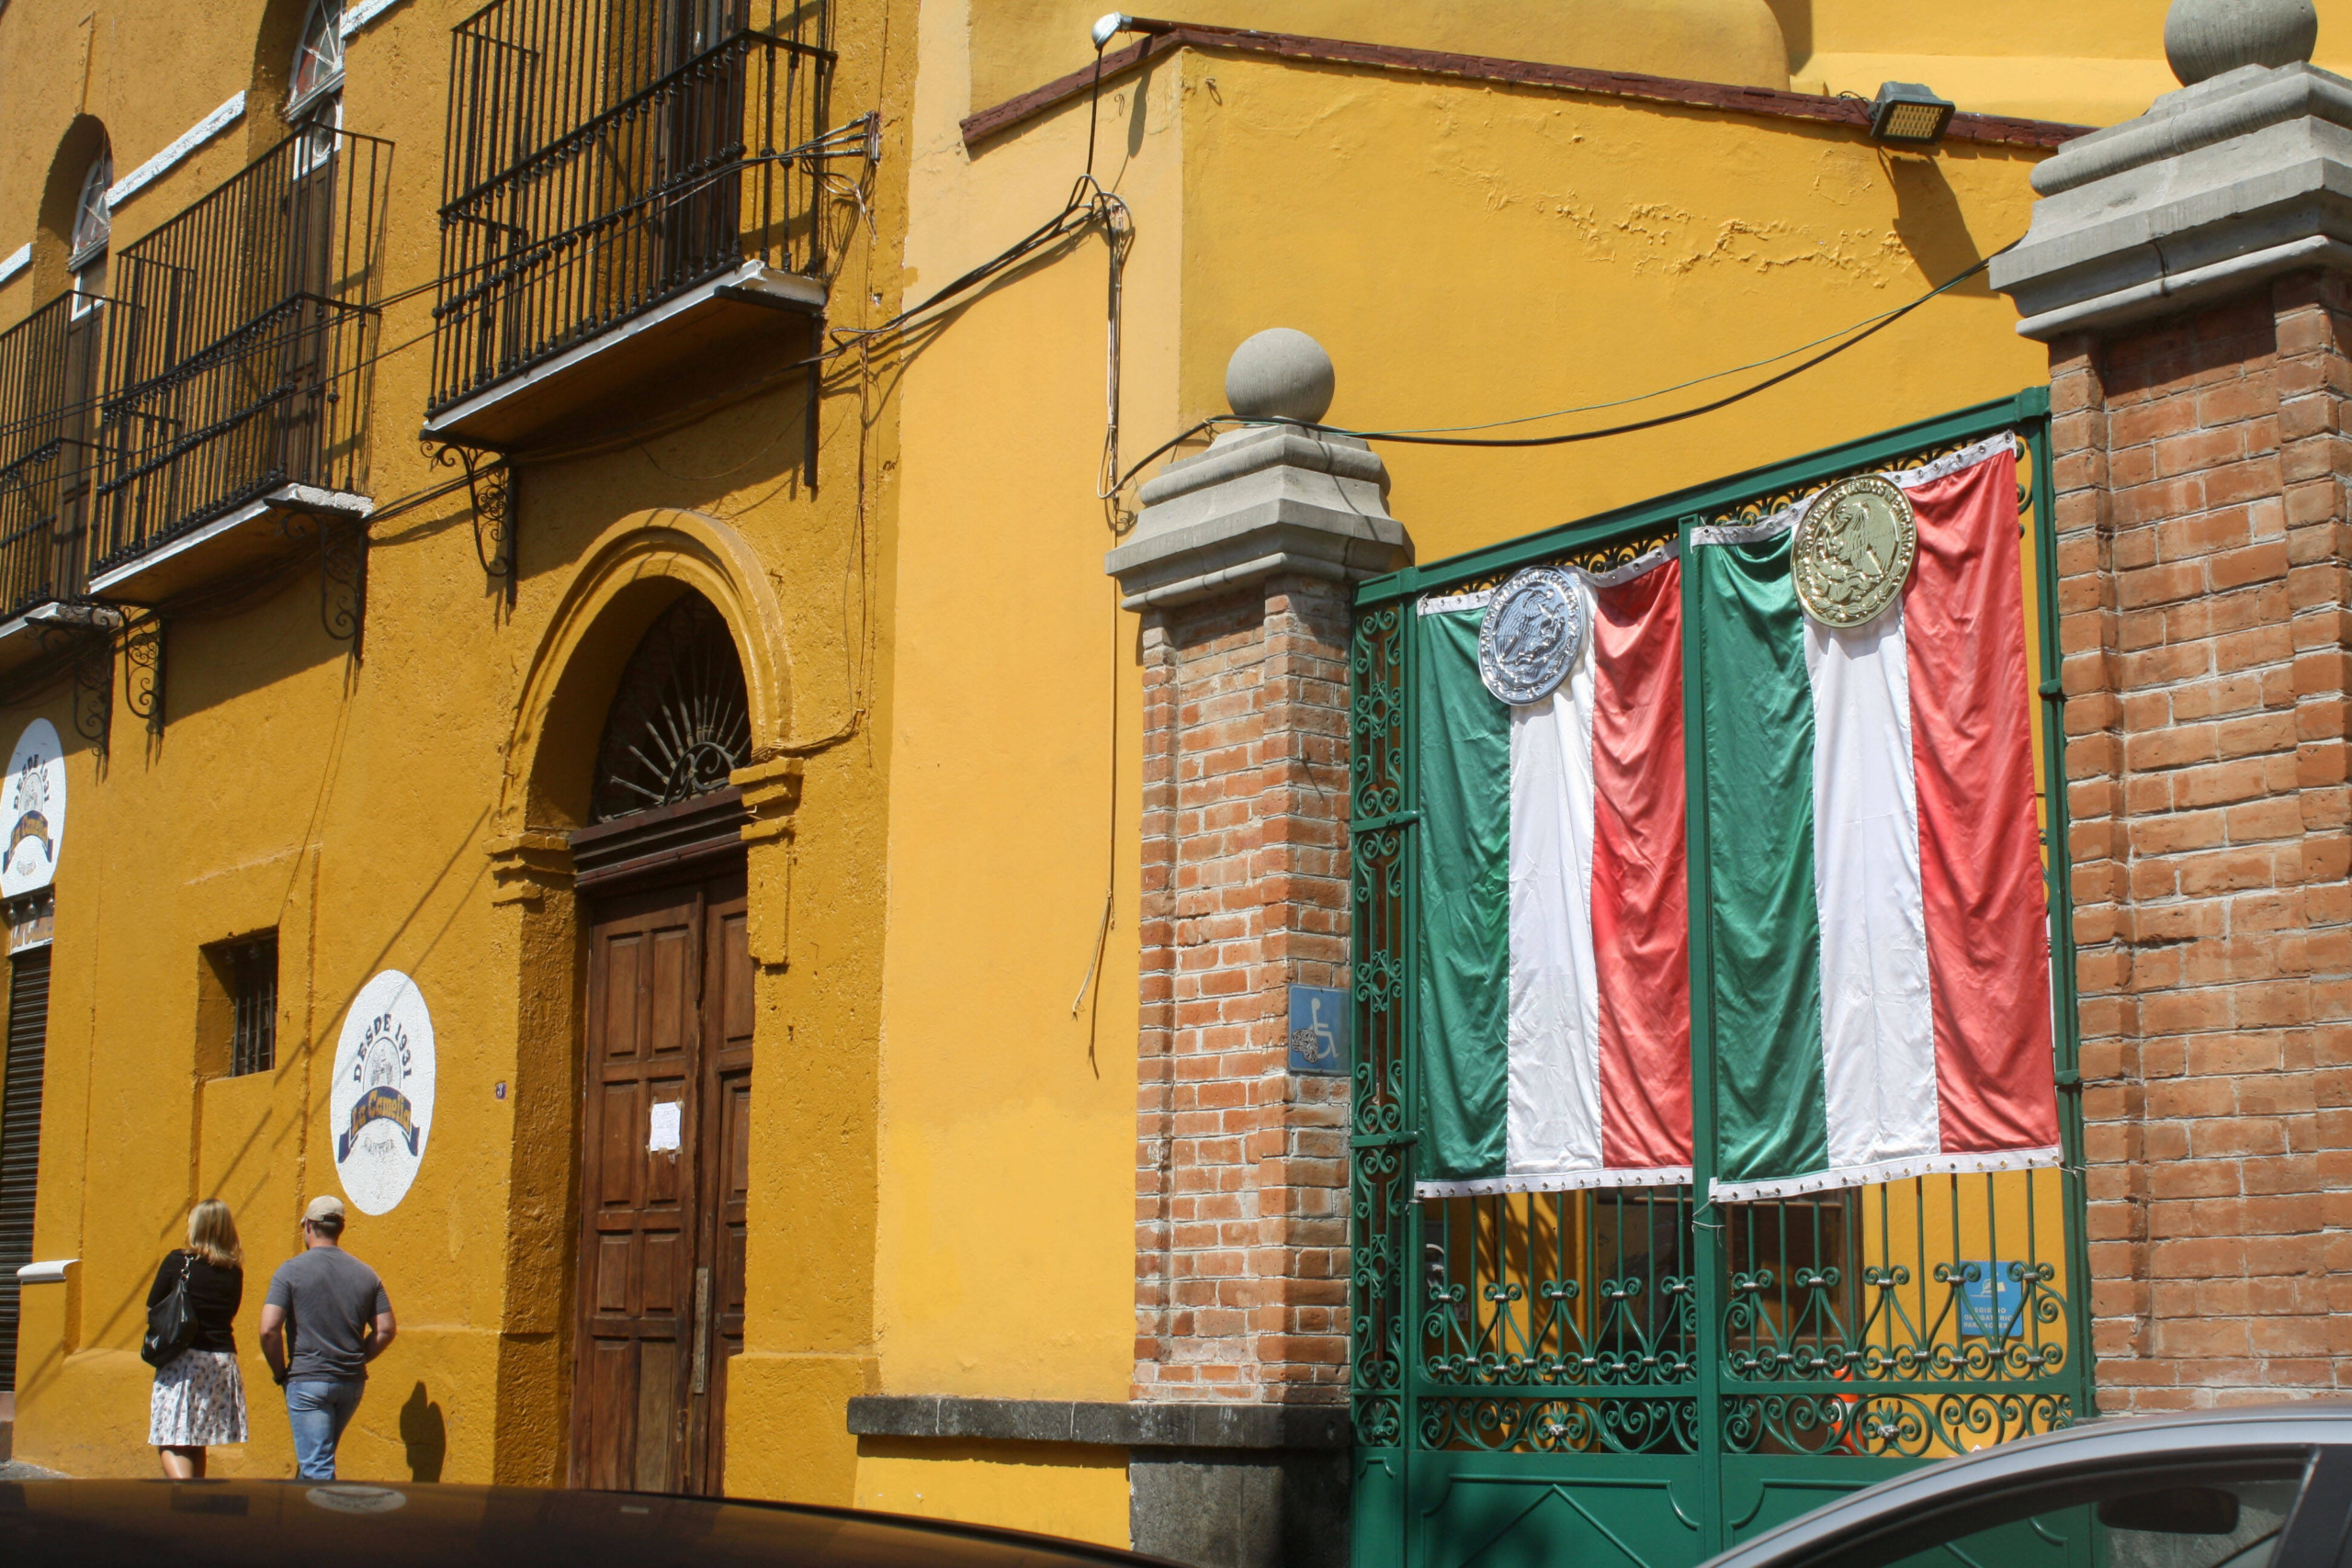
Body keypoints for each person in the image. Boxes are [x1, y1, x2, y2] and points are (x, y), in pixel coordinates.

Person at [257, 1194, 395, 1481]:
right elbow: (385, 1330)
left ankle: (325, 1525)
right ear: (340, 1228)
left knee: (317, 1469)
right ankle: (301, 1522)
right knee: (317, 1457)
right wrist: (356, 1357)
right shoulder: (367, 1274)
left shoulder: (289, 1271)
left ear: (307, 1225)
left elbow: (269, 1329)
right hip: (351, 1382)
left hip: (307, 1381)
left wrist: (280, 1372)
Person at [146, 1198, 248, 1478]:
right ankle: (192, 1510)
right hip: (220, 1361)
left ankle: (186, 1494)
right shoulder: (234, 1271)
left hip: (183, 1360)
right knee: (196, 1441)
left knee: (169, 1439)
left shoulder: (178, 1262)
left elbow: (153, 1308)